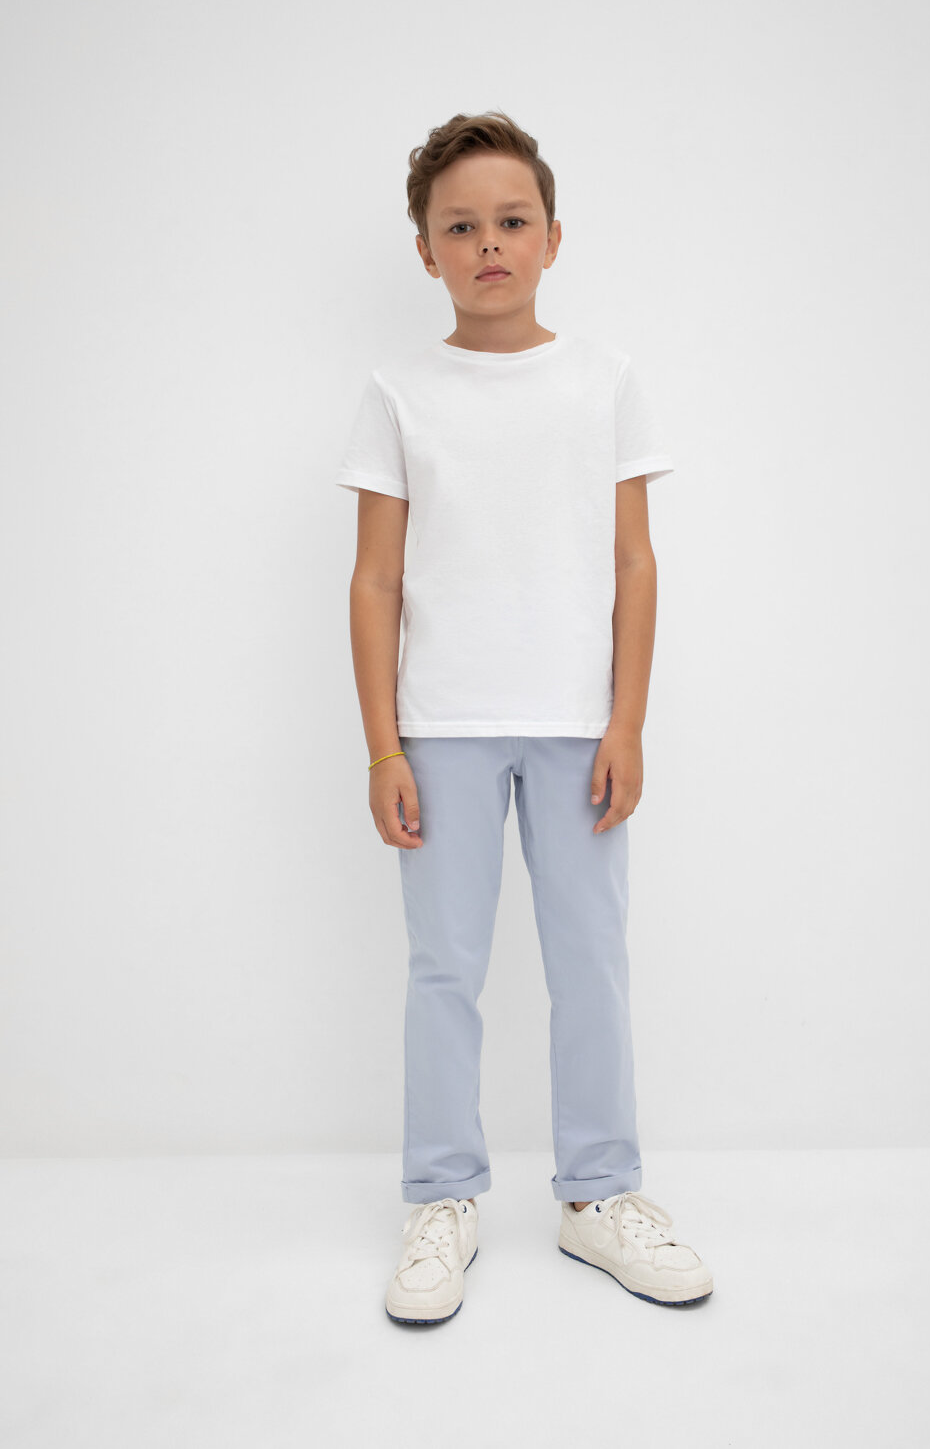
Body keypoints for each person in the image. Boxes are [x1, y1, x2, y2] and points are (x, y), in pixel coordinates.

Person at [336, 110, 714, 1325]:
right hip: (441, 727)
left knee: (590, 961)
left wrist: (626, 722)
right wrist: (383, 745)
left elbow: (634, 563)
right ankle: (441, 1196)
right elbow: (376, 581)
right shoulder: (399, 392)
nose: (487, 244)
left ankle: (598, 1194)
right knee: (443, 967)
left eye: (511, 221)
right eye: (460, 227)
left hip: (575, 726)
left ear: (553, 237)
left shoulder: (605, 382)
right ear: (425, 251)